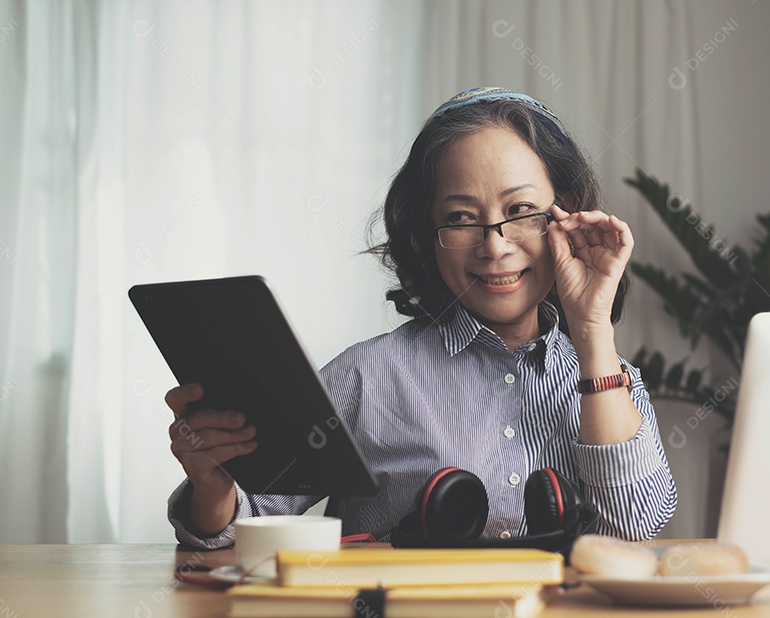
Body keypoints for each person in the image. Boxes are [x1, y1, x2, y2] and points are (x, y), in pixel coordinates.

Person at [165, 87, 677, 549]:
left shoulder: (607, 379)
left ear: (562, 218)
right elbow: (243, 526)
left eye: (520, 210)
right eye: (459, 218)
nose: (494, 246)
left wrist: (591, 331)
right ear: (425, 235)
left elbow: (633, 528)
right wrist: (212, 485)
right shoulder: (366, 375)